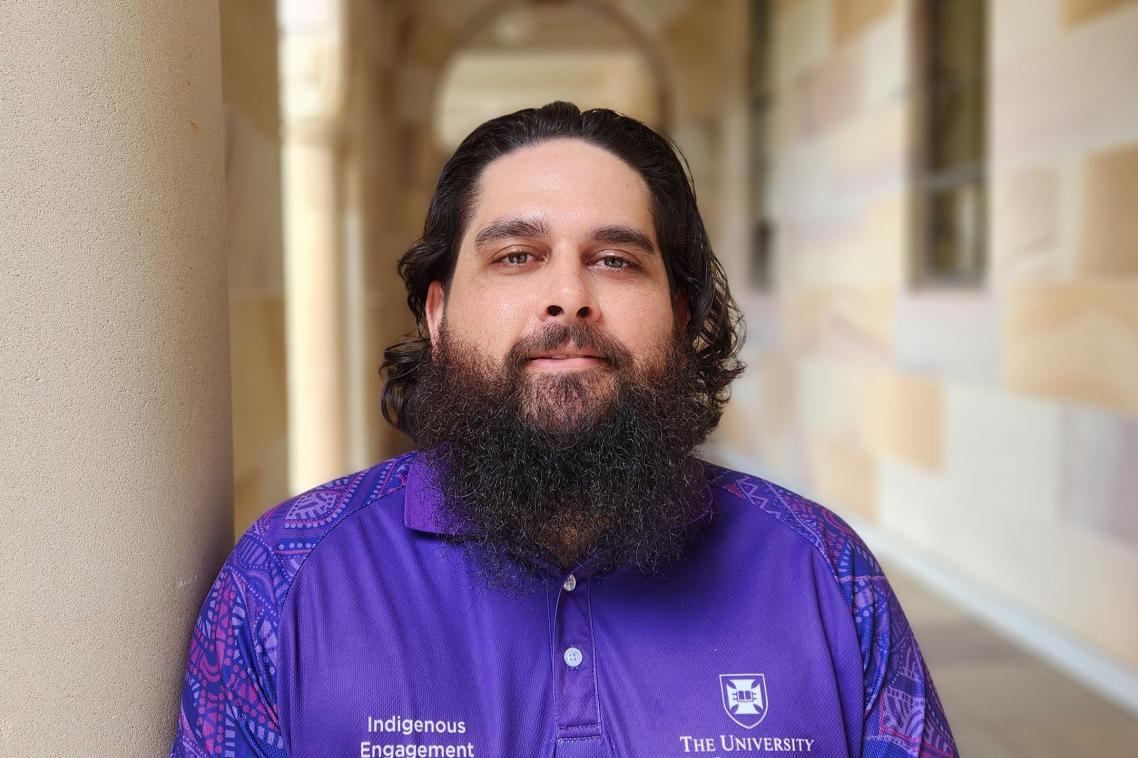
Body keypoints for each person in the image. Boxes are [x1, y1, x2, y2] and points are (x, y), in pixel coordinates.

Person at [170, 102, 957, 758]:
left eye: (616, 260)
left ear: (681, 320)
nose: (568, 296)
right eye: (517, 256)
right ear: (438, 315)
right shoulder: (281, 582)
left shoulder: (825, 576)